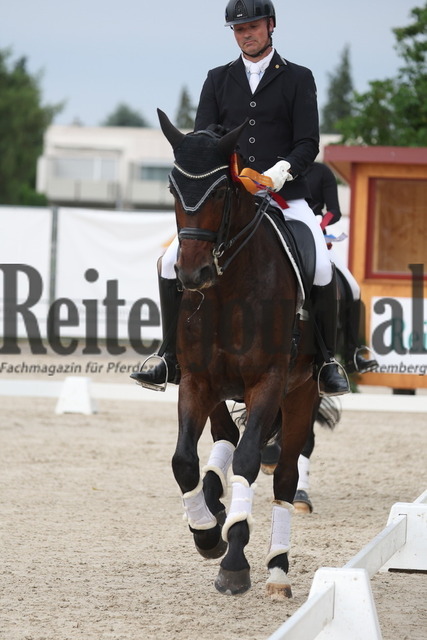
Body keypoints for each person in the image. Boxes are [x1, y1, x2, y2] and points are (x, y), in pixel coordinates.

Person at [132, 0, 349, 396]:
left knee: (320, 266)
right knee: (168, 263)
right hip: (230, 199)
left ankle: (325, 361)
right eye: (238, 29)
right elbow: (204, 139)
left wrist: (278, 173)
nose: (246, 34)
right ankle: (168, 356)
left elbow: (308, 142)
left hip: (284, 194)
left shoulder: (298, 77)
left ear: (270, 25)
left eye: (252, 26)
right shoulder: (218, 78)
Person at [305, 162, 378, 374]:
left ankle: (352, 354)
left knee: (353, 288)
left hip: (317, 235)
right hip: (281, 230)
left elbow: (334, 211)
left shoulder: (321, 172)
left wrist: (320, 224)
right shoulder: (273, 165)